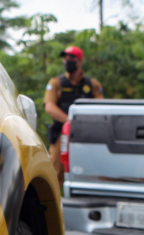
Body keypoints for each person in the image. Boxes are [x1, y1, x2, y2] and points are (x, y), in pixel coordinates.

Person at [44, 45, 103, 185]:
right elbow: (49, 107)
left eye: (71, 57)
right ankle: (56, 204)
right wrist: (71, 122)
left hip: (86, 134)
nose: (67, 60)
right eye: (65, 57)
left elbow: (101, 107)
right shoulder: (56, 82)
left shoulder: (92, 84)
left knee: (90, 171)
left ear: (80, 61)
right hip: (62, 134)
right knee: (55, 174)